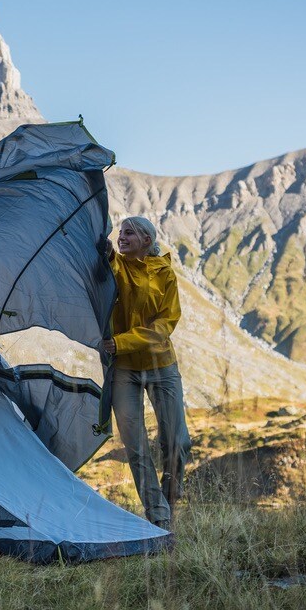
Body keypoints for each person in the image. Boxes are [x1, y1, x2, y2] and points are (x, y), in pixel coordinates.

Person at [100, 216, 192, 531]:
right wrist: (106, 251)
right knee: (136, 447)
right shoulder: (115, 266)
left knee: (177, 441)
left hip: (161, 365)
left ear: (146, 238)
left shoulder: (165, 273)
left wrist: (120, 342)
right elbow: (104, 278)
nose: (122, 237)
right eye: (120, 232)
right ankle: (159, 516)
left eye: (129, 233)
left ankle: (171, 495)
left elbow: (165, 325)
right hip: (124, 370)